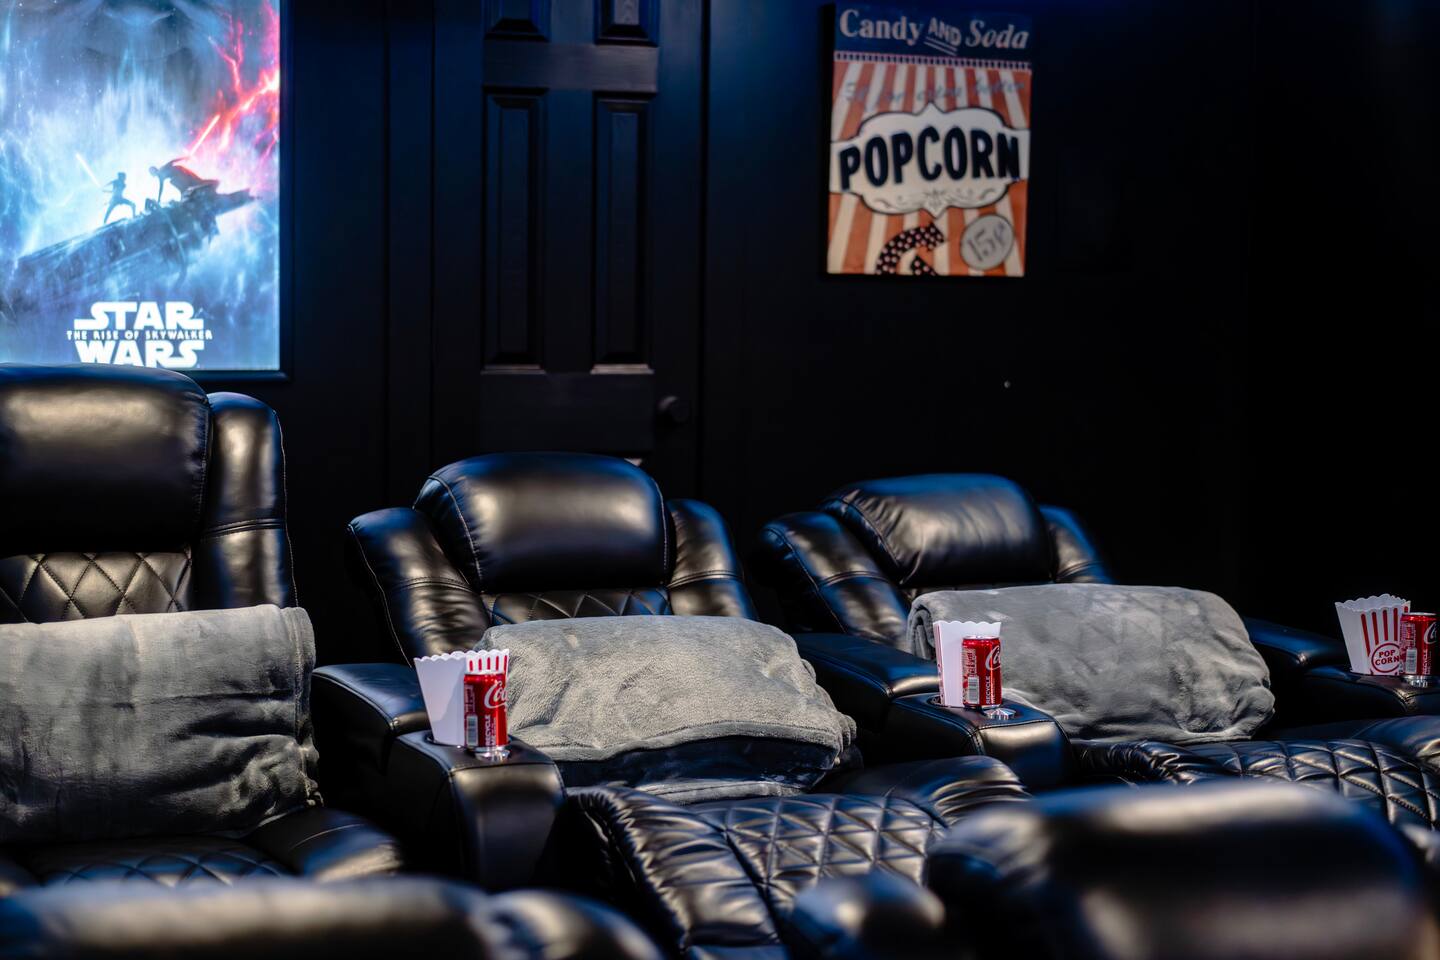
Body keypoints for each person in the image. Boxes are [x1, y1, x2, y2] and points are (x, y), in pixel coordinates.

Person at [148, 159, 218, 203]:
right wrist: (159, 199)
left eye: (152, 172)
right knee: (174, 182)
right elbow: (161, 188)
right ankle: (185, 192)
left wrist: (184, 158)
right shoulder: (160, 177)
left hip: (180, 171)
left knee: (177, 182)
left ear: (154, 171)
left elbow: (172, 161)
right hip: (178, 175)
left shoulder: (162, 169)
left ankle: (187, 191)